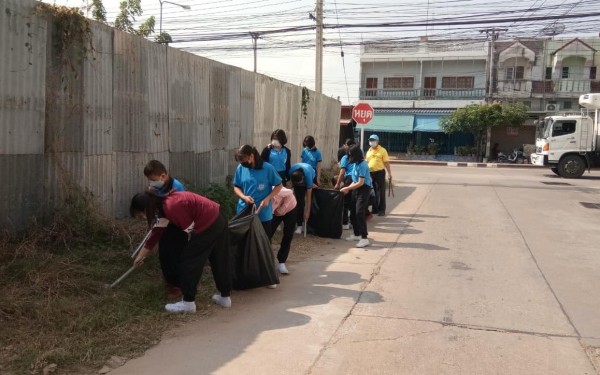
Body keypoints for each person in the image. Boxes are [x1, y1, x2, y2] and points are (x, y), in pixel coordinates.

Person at [132, 189, 233, 313]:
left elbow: (190, 229)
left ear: (147, 208)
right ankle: (225, 296)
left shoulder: (170, 207)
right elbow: (155, 235)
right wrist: (140, 256)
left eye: (142, 214)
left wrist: (195, 251)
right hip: (218, 216)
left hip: (208, 222)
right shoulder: (165, 203)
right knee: (219, 258)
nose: (143, 217)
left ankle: (188, 302)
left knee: (189, 261)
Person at [137, 160, 188, 300]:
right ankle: (169, 281)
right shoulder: (158, 187)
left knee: (175, 255)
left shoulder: (177, 188)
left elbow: (177, 210)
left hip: (177, 225)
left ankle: (179, 285)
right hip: (164, 223)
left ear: (163, 176)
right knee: (164, 253)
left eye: (153, 180)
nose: (151, 183)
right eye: (149, 180)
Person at [233, 145, 283, 237]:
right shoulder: (240, 168)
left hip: (263, 214)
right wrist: (244, 197)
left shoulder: (268, 168)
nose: (243, 164)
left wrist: (268, 198)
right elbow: (236, 187)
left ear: (251, 156)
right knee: (243, 243)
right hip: (244, 212)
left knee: (263, 243)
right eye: (241, 162)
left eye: (244, 161)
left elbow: (279, 186)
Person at [340, 146, 373, 248]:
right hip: (356, 189)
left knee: (359, 212)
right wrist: (347, 188)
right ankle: (357, 234)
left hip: (364, 189)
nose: (350, 157)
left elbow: (361, 182)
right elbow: (355, 181)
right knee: (353, 212)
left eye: (351, 155)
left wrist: (347, 189)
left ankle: (364, 238)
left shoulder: (363, 165)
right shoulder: (355, 164)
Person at [269, 187, 297, 274]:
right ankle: (268, 261)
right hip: (276, 211)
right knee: (267, 233)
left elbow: (289, 192)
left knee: (288, 234)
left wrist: (282, 209)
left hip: (290, 208)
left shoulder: (278, 191)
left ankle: (282, 262)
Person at [365, 134, 392, 216]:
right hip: (370, 173)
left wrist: (389, 173)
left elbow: (386, 162)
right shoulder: (369, 151)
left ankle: (381, 210)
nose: (371, 142)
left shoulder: (382, 150)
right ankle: (375, 208)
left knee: (380, 192)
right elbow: (366, 162)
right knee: (372, 191)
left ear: (377, 141)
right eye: (370, 140)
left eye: (373, 140)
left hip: (379, 173)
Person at [334, 139, 356, 230]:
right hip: (357, 180)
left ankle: (345, 223)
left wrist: (338, 185)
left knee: (345, 203)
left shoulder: (344, 158)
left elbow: (342, 172)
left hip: (349, 180)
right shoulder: (357, 157)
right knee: (354, 202)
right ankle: (353, 222)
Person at [289, 162, 315, 235]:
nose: (299, 184)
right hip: (297, 179)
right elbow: (291, 184)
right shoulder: (291, 171)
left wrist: (307, 212)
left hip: (311, 174)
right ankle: (299, 225)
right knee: (299, 203)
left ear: (303, 178)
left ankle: (308, 223)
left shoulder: (308, 176)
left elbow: (308, 197)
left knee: (308, 201)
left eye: (300, 182)